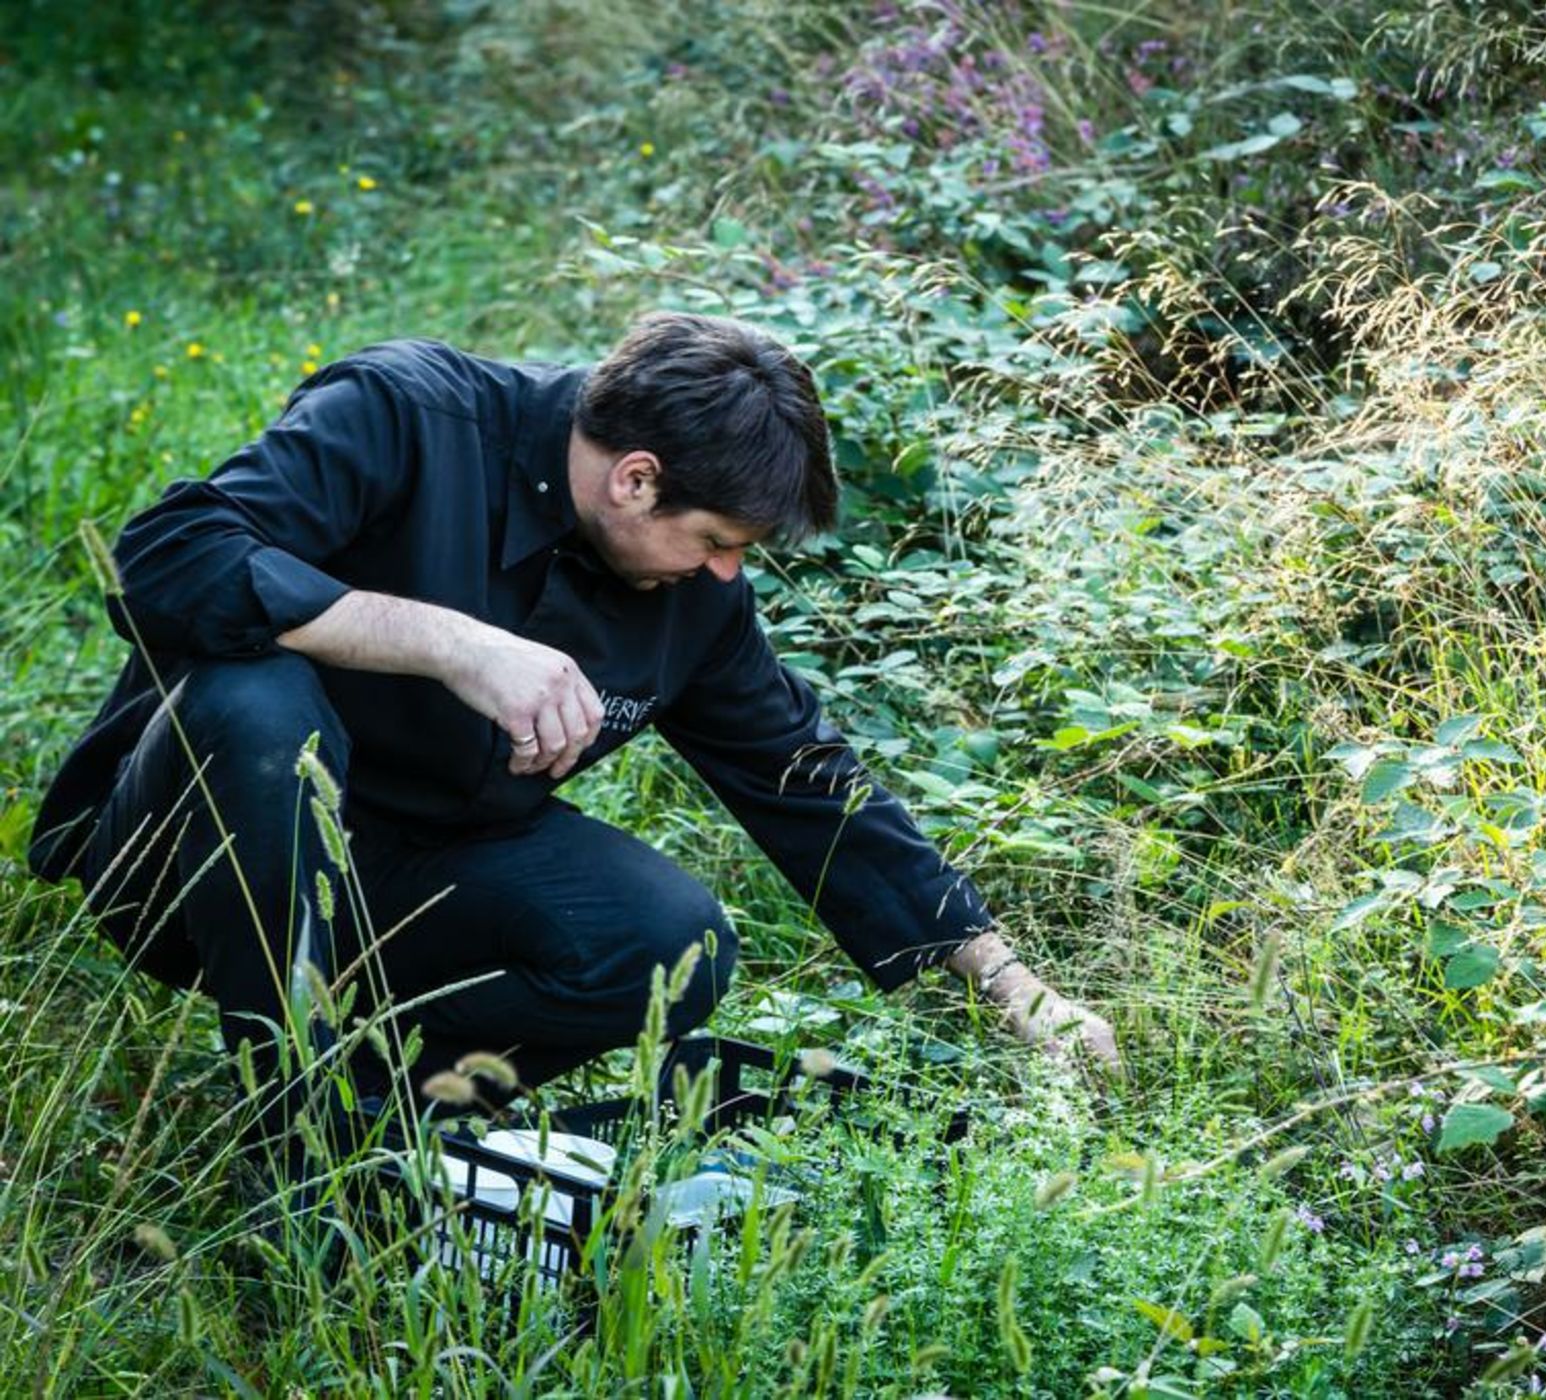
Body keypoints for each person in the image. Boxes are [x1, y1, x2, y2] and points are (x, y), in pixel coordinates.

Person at [27, 311, 1116, 1158]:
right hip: (185, 854)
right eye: (719, 538)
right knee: (259, 702)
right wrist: (452, 642)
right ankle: (293, 1128)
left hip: (409, 874)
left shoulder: (691, 599)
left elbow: (806, 777)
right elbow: (167, 556)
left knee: (672, 934)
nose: (728, 569)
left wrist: (1009, 980)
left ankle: (372, 1120)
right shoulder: (408, 410)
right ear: (636, 477)